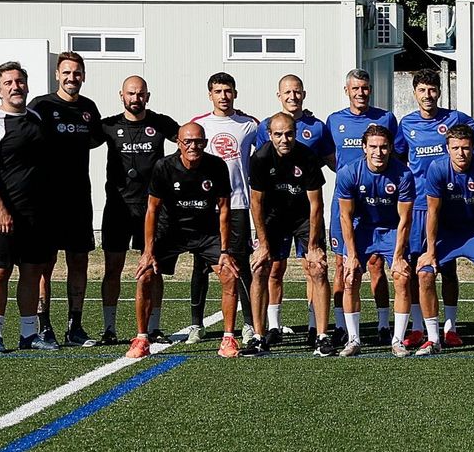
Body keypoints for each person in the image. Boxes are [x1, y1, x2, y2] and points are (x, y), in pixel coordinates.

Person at [125, 123, 243, 358]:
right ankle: (141, 339)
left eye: (198, 141)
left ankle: (228, 339)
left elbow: (224, 209)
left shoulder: (216, 166)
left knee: (229, 274)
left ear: (205, 143)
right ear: (178, 143)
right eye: (188, 141)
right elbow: (152, 210)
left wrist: (225, 250)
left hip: (205, 231)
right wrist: (148, 251)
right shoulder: (164, 166)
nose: (193, 146)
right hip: (170, 230)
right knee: (146, 274)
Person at [0, 62, 56, 353]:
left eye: (19, 81)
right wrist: (0, 209)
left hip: (35, 214)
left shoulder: (36, 119)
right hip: (0, 213)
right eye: (8, 83)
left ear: (27, 85)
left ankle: (28, 335)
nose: (15, 87)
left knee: (32, 270)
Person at [249, 74, 335, 344]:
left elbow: (316, 204)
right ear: (269, 135)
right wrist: (262, 244)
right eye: (278, 135)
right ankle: (262, 333)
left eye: (288, 134)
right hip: (274, 217)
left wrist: (313, 245)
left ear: (295, 134)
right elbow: (257, 203)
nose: (283, 139)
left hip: (303, 217)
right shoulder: (261, 157)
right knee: (264, 268)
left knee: (317, 267)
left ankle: (319, 333)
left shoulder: (308, 155)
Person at [31, 51, 106, 346]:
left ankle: (75, 326)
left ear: (83, 76)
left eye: (76, 73)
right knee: (44, 264)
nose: (71, 78)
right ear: (57, 75)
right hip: (47, 199)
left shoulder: (89, 108)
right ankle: (44, 325)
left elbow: (99, 137)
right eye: (66, 72)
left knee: (78, 261)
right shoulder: (41, 106)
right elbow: (15, 123)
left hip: (78, 198)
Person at [395, 68, 474, 348]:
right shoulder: (406, 124)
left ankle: (451, 327)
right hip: (418, 207)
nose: (427, 95)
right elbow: (398, 156)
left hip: (448, 206)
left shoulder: (454, 118)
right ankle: (419, 327)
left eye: (432, 90)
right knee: (420, 266)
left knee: (448, 268)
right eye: (422, 90)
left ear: (439, 91)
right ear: (414, 93)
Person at [99, 75, 179, 345]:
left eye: (140, 93)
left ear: (148, 95)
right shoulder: (108, 126)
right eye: (130, 93)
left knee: (153, 269)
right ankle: (109, 329)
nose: (136, 98)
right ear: (121, 95)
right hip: (118, 208)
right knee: (113, 269)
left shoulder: (161, 123)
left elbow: (190, 137)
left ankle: (153, 328)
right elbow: (75, 138)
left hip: (153, 209)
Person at [415, 125, 474, 356]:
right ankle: (434, 339)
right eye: (455, 148)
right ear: (447, 148)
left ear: (473, 148)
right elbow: (432, 212)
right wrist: (430, 251)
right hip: (446, 232)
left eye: (466, 148)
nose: (461, 153)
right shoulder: (437, 168)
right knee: (425, 272)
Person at [325, 69, 398, 343]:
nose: (361, 93)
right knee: (343, 264)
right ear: (347, 90)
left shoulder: (386, 118)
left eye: (365, 88)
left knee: (377, 263)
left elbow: (397, 152)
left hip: (376, 203)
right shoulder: (334, 121)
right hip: (344, 202)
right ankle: (342, 326)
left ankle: (382, 324)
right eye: (355, 88)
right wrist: (349, 177)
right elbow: (328, 155)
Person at [187, 73, 260, 345]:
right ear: (210, 95)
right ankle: (196, 324)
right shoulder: (199, 124)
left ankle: (249, 323)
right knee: (201, 265)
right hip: (204, 208)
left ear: (235, 93)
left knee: (240, 264)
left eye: (228, 91)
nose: (223, 96)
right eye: (218, 91)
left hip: (238, 204)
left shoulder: (249, 125)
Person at [334, 124, 414, 357]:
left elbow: (405, 219)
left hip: (391, 230)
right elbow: (345, 217)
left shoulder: (403, 174)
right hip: (363, 229)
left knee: (402, 277)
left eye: (383, 147)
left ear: (390, 148)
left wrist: (398, 257)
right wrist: (351, 255)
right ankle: (353, 340)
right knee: (350, 276)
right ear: (364, 148)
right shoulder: (349, 173)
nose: (378, 152)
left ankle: (397, 340)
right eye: (373, 147)